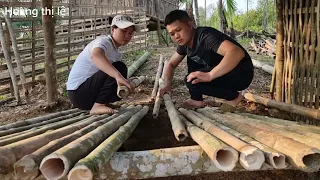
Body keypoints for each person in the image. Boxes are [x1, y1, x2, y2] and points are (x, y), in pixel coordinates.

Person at [160, 10, 254, 111]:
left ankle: (233, 96)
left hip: (242, 73)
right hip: (224, 73)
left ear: (190, 24)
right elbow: (171, 64)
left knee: (191, 80)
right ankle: (196, 99)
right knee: (192, 58)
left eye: (178, 30)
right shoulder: (185, 44)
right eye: (172, 34)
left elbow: (236, 52)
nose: (176, 36)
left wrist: (210, 75)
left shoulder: (205, 36)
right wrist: (167, 85)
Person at [66, 15, 140, 115]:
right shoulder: (104, 41)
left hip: (87, 95)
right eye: (124, 31)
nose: (127, 36)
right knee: (119, 68)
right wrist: (118, 76)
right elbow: (95, 55)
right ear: (113, 29)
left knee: (120, 72)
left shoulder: (116, 53)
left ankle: (102, 102)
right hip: (78, 93)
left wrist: (123, 79)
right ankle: (98, 105)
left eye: (130, 33)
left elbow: (110, 78)